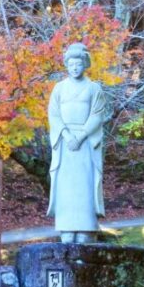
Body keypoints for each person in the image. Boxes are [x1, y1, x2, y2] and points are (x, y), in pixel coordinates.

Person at [47, 43, 107, 243]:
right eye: (71, 64)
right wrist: (66, 135)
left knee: (85, 185)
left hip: (86, 143)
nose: (75, 68)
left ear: (85, 65)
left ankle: (86, 228)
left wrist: (80, 136)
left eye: (78, 64)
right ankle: (66, 228)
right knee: (66, 188)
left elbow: (97, 116)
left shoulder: (94, 88)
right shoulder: (59, 88)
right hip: (65, 144)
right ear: (66, 65)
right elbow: (54, 115)